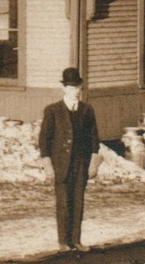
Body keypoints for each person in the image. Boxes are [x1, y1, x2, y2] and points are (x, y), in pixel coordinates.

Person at [37, 67, 100, 250]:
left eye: (77, 87)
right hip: (61, 166)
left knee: (78, 201)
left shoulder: (87, 110)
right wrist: (48, 166)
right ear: (64, 89)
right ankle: (63, 242)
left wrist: (93, 164)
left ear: (81, 88)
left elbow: (94, 139)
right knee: (63, 203)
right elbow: (44, 140)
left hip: (80, 164)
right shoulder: (53, 111)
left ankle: (76, 240)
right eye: (70, 88)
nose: (74, 91)